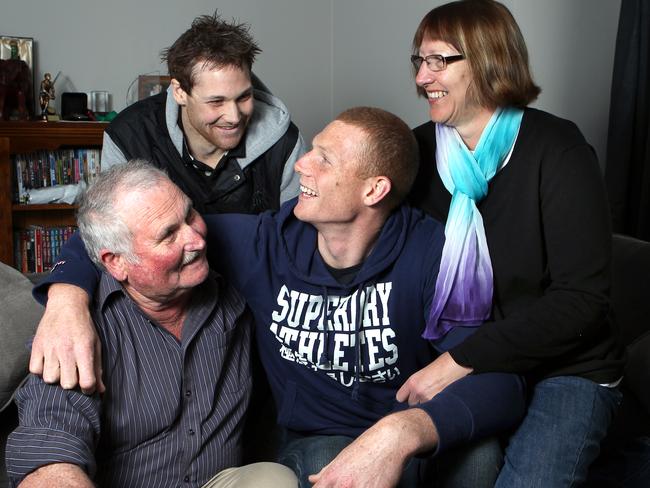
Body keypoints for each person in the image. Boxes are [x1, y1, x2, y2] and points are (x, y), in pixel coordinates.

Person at [29, 107, 526, 487]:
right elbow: (114, 236)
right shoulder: (261, 243)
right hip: (318, 444)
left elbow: (502, 380)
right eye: (312, 150)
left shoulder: (435, 253)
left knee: (480, 456)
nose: (301, 164)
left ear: (374, 189)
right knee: (311, 466)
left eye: (324, 159)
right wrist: (66, 297)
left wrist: (402, 432)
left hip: (412, 429)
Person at [401, 1, 625, 486]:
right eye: (419, 60)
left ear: (488, 59)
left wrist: (459, 360)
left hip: (566, 367)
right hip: (471, 361)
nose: (422, 77)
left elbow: (581, 302)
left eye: (439, 60)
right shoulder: (415, 151)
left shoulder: (557, 148)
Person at [6, 161, 297, 488]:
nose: (196, 240)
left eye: (189, 215)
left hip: (217, 481)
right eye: (169, 234)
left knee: (275, 479)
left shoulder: (235, 284)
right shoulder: (78, 331)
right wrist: (66, 299)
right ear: (116, 262)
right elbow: (49, 452)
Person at [101, 11, 305, 214]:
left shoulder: (286, 142)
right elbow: (117, 234)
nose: (234, 117)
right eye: (216, 101)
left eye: (243, 97)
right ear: (180, 92)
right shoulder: (126, 137)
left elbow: (298, 237)